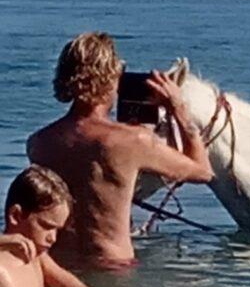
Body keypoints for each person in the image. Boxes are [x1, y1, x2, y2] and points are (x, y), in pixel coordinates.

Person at [27, 32, 214, 267]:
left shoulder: (38, 143)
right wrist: (178, 109)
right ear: (111, 79)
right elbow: (203, 171)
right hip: (113, 267)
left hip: (57, 268)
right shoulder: (134, 141)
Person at [0, 165, 110, 287]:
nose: (53, 238)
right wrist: (5, 240)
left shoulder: (38, 258)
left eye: (57, 230)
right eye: (46, 226)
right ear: (16, 216)